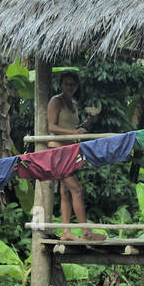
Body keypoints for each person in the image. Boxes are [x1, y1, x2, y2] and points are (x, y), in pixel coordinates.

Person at [46, 71, 105, 241]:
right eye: (66, 84)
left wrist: (86, 123)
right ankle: (86, 233)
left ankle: (66, 232)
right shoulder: (55, 101)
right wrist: (73, 131)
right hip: (58, 151)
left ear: (76, 86)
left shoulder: (73, 103)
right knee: (77, 190)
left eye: (73, 84)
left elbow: (72, 127)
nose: (70, 87)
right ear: (61, 85)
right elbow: (52, 127)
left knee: (66, 192)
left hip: (70, 151)